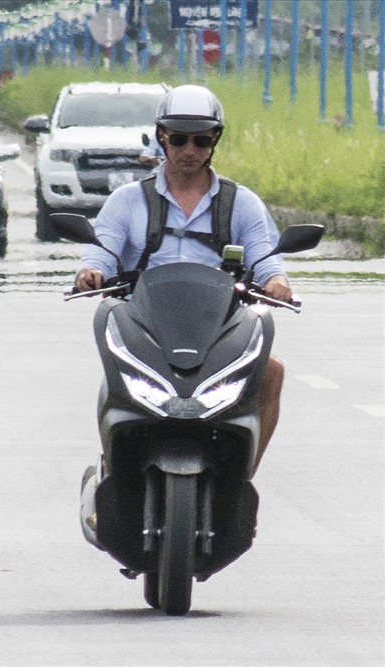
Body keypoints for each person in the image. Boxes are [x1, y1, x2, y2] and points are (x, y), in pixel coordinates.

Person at [73, 84, 292, 478]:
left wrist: (275, 280)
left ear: (214, 142)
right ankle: (115, 463)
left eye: (201, 140)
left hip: (219, 329)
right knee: (116, 369)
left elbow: (265, 253)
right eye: (178, 139)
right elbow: (101, 250)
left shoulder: (240, 202)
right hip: (145, 326)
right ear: (162, 137)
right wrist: (92, 272)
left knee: (272, 371)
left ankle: (242, 479)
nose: (189, 150)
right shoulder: (127, 201)